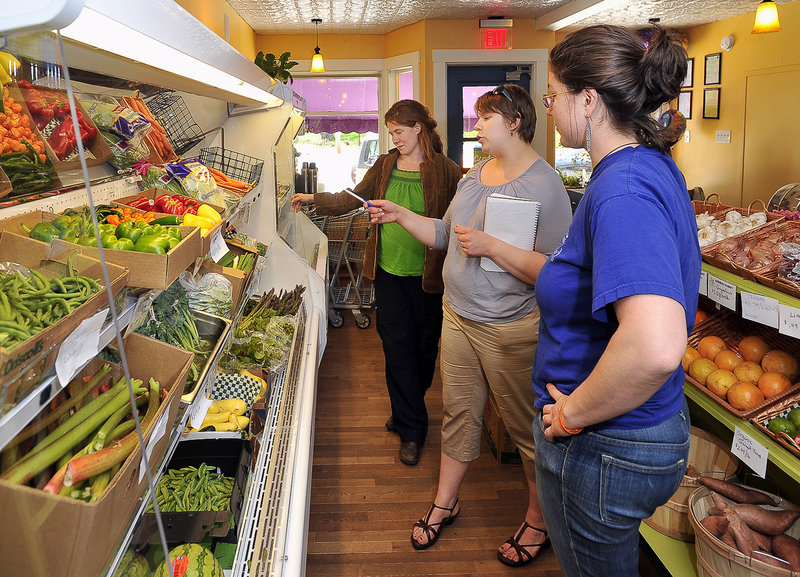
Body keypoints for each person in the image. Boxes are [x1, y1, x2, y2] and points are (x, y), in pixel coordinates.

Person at [367, 84, 572, 566]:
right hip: (457, 316)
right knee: (459, 415)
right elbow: (442, 234)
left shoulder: (545, 185)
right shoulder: (476, 174)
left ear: (514, 122)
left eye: (485, 118)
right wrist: (399, 214)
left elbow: (559, 272)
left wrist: (493, 247)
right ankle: (446, 502)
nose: (475, 125)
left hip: (508, 327)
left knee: (526, 428)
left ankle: (538, 521)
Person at [531, 25, 701, 576]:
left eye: (553, 95)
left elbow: (654, 345)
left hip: (606, 443)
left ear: (589, 99)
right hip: (624, 438)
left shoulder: (622, 187)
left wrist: (570, 416)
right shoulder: (647, 166)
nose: (550, 109)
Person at [292, 100, 462, 466]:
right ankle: (413, 430)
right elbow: (351, 198)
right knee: (396, 348)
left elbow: (454, 221)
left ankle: (405, 410)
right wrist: (311, 198)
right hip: (387, 273)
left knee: (424, 352)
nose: (395, 138)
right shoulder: (385, 165)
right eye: (391, 133)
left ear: (418, 128)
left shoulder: (447, 171)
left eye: (400, 131)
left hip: (430, 278)